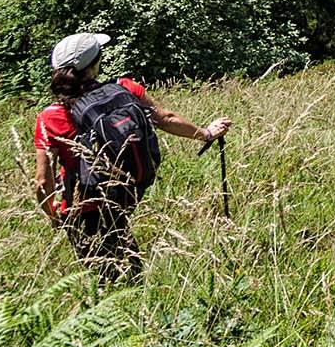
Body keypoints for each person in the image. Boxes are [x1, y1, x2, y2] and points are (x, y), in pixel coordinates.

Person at [32, 31, 231, 281]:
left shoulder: (50, 116)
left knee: (104, 280)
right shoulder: (125, 88)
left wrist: (53, 215)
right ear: (95, 65)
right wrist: (206, 133)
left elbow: (42, 181)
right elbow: (166, 119)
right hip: (126, 192)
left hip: (82, 206)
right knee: (125, 257)